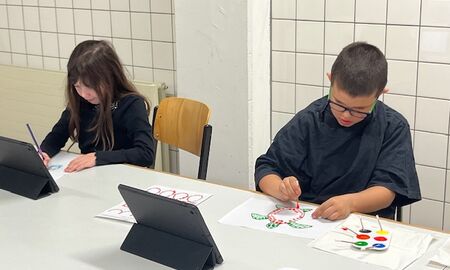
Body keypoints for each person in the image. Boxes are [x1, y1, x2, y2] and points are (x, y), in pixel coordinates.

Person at [255, 42, 421, 220]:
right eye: (339, 103)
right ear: (330, 79)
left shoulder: (392, 126)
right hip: (310, 217)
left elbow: (388, 190)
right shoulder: (310, 119)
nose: (346, 115)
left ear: (380, 93)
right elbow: (266, 168)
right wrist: (280, 188)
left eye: (359, 109)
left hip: (365, 221)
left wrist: (350, 203)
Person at [40, 40, 155, 172]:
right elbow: (56, 136)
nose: (84, 94)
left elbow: (145, 154)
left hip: (123, 176)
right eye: (77, 86)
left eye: (90, 86)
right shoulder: (79, 101)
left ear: (110, 77)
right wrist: (43, 153)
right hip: (90, 176)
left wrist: (98, 158)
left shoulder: (131, 104)